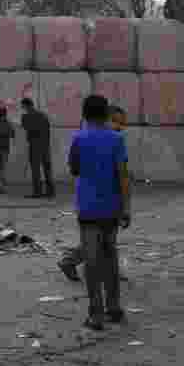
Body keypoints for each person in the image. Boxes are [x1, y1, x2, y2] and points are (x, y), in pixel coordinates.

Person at [69, 95, 131, 331]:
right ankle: (113, 308)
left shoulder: (78, 138)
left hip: (87, 208)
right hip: (111, 208)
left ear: (85, 114)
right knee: (110, 258)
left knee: (92, 262)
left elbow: (74, 169)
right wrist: (126, 208)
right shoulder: (117, 139)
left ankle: (96, 315)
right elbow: (123, 176)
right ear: (106, 114)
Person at [59, 105, 128, 282]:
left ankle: (72, 262)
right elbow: (121, 176)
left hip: (96, 200)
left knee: (102, 239)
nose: (120, 126)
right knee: (102, 240)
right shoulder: (106, 140)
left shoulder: (106, 139)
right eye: (116, 122)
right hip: (101, 200)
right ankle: (75, 262)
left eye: (122, 123)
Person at [20, 98, 54, 198]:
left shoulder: (26, 116)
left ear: (26, 106)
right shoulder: (43, 115)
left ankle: (37, 192)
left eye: (23, 106)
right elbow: (48, 129)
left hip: (34, 145)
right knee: (47, 168)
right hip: (45, 145)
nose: (23, 108)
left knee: (35, 169)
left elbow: (26, 127)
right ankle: (50, 191)